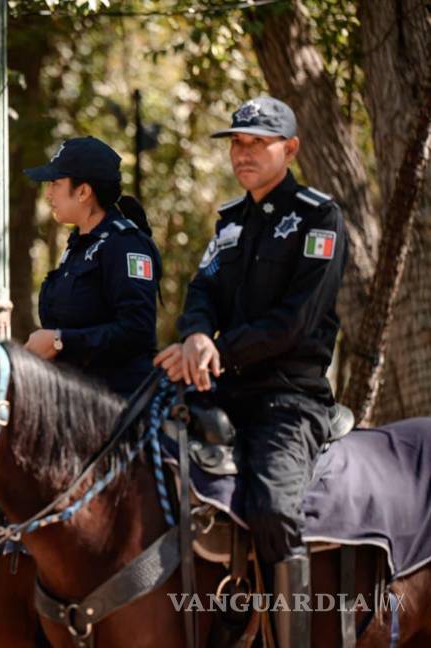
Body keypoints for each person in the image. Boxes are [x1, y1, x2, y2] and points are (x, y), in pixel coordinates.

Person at [154, 97, 347, 647]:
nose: (244, 153)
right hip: (220, 387)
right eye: (238, 142)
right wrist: (194, 335)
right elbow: (202, 291)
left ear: (290, 149)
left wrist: (216, 347)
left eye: (257, 143)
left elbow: (296, 322)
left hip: (288, 398)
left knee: (270, 507)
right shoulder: (231, 222)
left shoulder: (319, 217)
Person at [22, 136, 161, 398]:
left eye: (55, 183)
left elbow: (137, 331)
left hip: (117, 407)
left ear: (84, 192)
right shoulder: (78, 245)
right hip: (73, 398)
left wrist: (60, 341)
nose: (48, 193)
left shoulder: (125, 245)